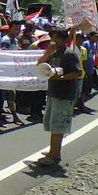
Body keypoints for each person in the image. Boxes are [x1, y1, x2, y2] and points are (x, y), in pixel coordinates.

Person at [36, 29, 82, 166]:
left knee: (58, 125)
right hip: (53, 93)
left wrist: (61, 78)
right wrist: (48, 52)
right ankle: (53, 151)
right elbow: (39, 65)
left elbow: (77, 72)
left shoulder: (70, 54)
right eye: (52, 38)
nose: (54, 41)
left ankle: (54, 155)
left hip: (64, 95)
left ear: (64, 39)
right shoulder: (54, 53)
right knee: (52, 124)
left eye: (57, 38)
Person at [0, 21, 23, 125]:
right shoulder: (6, 40)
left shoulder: (15, 41)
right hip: (5, 72)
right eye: (15, 29)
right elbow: (3, 55)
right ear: (10, 29)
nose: (17, 31)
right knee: (5, 95)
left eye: (18, 29)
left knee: (10, 95)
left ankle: (12, 116)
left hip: (12, 72)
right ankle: (11, 116)